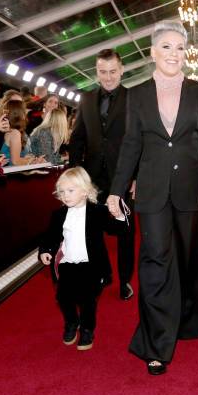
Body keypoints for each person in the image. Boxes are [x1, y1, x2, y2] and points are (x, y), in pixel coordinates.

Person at [106, 21, 198, 375]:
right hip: (152, 191)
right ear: (153, 52)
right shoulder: (136, 94)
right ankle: (155, 343)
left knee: (186, 260)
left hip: (189, 188)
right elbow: (130, 145)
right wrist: (116, 189)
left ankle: (185, 321)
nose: (173, 53)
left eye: (179, 47)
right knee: (155, 262)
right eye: (166, 47)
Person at [69, 49, 135, 300]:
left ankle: (125, 280)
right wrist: (75, 174)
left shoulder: (134, 98)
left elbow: (142, 139)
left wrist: (138, 176)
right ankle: (103, 273)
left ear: (121, 70)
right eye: (102, 72)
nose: (107, 77)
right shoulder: (86, 99)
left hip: (125, 178)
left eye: (112, 72)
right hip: (92, 179)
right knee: (92, 231)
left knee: (126, 232)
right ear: (96, 71)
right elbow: (77, 139)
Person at [39, 167, 122, 351]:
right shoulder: (58, 214)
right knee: (63, 297)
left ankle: (87, 329)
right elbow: (50, 237)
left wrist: (119, 216)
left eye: (70, 191)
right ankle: (71, 322)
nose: (65, 196)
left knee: (88, 301)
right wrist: (45, 250)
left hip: (91, 265)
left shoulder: (98, 212)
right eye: (62, 192)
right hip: (67, 264)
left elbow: (115, 230)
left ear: (85, 191)